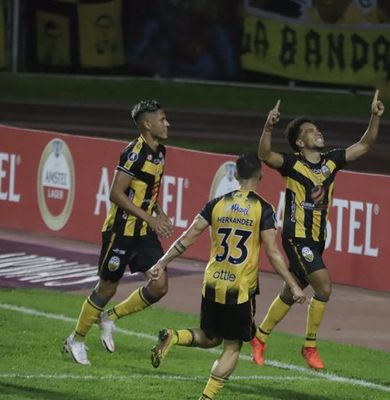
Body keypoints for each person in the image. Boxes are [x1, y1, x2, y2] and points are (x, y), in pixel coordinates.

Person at [148, 153, 307, 400]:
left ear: (235, 175)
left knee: (211, 337)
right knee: (232, 346)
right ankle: (207, 398)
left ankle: (174, 336)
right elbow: (273, 252)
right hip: (239, 289)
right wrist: (293, 285)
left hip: (211, 283)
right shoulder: (263, 208)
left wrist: (162, 261)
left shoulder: (217, 203)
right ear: (260, 176)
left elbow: (188, 237)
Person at [250, 91, 385, 370]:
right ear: (300, 142)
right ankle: (309, 346)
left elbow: (365, 145)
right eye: (310, 132)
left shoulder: (331, 161)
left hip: (317, 239)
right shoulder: (291, 164)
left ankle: (259, 338)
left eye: (317, 129)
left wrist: (374, 116)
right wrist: (268, 126)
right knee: (324, 286)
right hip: (297, 237)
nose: (317, 133)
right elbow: (264, 154)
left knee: (291, 291)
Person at [63, 100, 174, 365]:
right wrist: (150, 216)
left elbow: (146, 188)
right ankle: (76, 340)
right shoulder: (134, 153)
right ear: (147, 124)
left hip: (144, 231)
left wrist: (159, 212)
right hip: (121, 231)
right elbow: (115, 192)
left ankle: (110, 317)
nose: (166, 123)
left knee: (159, 285)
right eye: (162, 119)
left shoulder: (161, 151)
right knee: (107, 286)